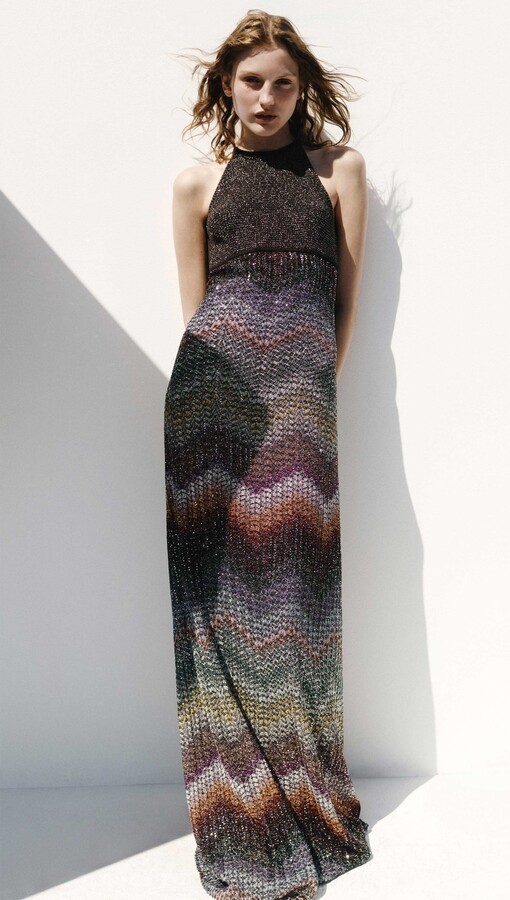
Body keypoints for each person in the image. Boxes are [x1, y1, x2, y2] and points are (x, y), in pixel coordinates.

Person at [163, 10, 370, 899]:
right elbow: (195, 312)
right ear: (227, 85)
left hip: (300, 397)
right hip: (211, 404)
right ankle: (237, 804)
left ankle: (301, 786)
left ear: (302, 89)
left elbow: (346, 296)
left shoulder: (338, 170)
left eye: (284, 82)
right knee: (215, 599)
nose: (268, 96)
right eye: (253, 81)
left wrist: (313, 384)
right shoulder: (195, 185)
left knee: (294, 590)